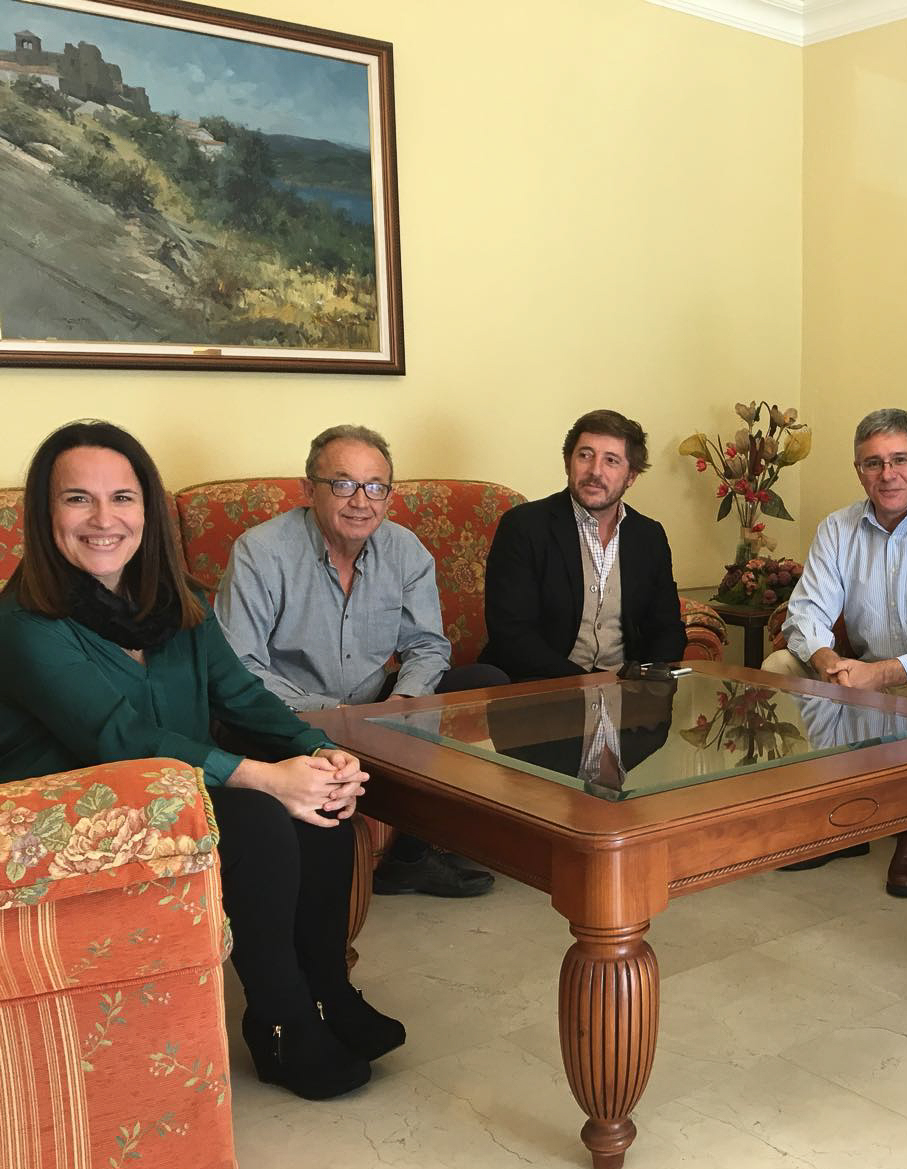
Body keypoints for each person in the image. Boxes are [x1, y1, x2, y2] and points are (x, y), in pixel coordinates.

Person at [0, 421, 404, 1101]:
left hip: (176, 787)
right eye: (78, 500)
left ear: (148, 511)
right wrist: (268, 776)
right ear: (45, 514)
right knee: (256, 817)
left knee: (322, 808)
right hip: (67, 811)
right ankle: (280, 1022)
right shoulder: (22, 621)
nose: (104, 520)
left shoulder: (173, 597)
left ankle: (328, 993)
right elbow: (115, 737)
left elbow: (240, 694)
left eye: (123, 498)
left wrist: (317, 752)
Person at [215, 425, 502, 899]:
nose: (360, 501)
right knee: (298, 752)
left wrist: (405, 702)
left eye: (375, 487)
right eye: (343, 484)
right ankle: (319, 893)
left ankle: (409, 858)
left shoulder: (405, 550)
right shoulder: (261, 551)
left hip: (376, 704)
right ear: (309, 490)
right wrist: (335, 716)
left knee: (483, 682)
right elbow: (239, 666)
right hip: (283, 714)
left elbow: (428, 646)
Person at [763, 408, 907, 898]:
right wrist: (826, 659)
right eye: (873, 463)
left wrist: (885, 672)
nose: (887, 475)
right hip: (858, 668)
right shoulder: (837, 529)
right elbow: (805, 613)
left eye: (899, 459)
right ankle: (835, 821)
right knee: (780, 666)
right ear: (858, 470)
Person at [480, 410, 687, 680]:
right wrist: (584, 684)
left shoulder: (648, 536)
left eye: (611, 461)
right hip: (540, 690)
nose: (595, 471)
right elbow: (511, 633)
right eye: (585, 455)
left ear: (631, 476)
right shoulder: (524, 527)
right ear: (568, 463)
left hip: (628, 696)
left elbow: (666, 628)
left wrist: (650, 682)